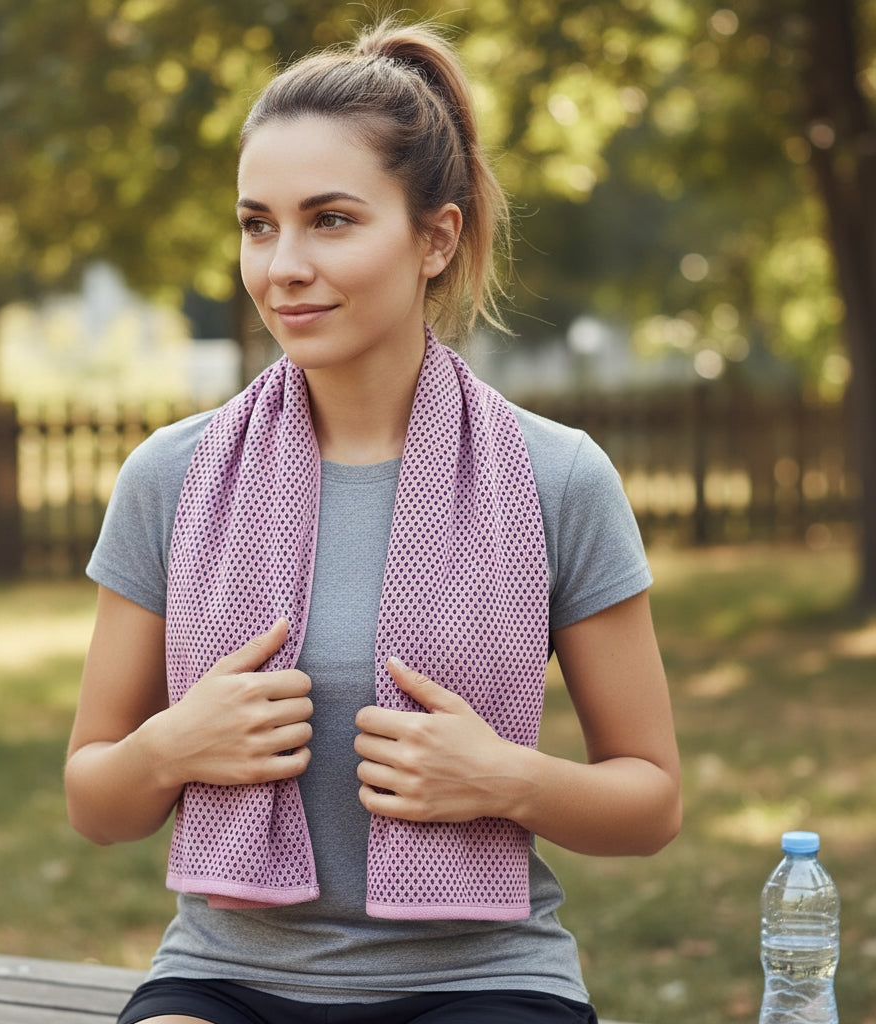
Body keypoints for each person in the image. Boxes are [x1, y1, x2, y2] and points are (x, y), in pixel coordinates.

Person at [65, 18, 681, 1024]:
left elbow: (650, 802)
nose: (282, 265)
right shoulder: (169, 478)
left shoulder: (556, 477)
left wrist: (503, 778)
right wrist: (171, 748)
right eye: (257, 224)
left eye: (332, 220)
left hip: (482, 981)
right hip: (229, 979)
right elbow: (96, 801)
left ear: (434, 237)